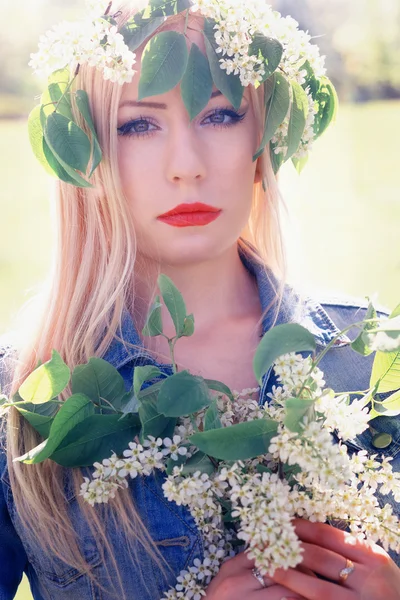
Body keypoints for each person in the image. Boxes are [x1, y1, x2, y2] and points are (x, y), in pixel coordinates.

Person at [0, 1, 399, 599]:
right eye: (138, 124)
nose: (186, 166)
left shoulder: (374, 358)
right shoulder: (23, 404)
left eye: (219, 116)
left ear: (263, 138)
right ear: (87, 153)